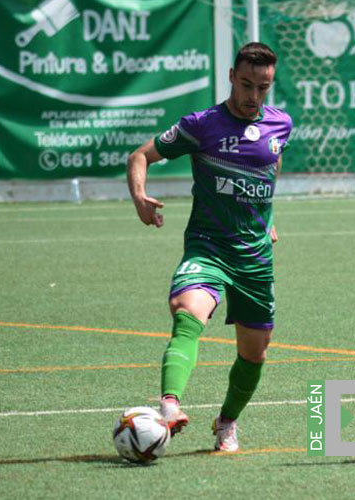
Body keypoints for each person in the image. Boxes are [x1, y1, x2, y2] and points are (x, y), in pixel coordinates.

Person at [126, 42, 292, 451]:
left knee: (255, 355)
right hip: (208, 247)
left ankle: (227, 423)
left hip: (254, 258)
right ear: (232, 76)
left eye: (263, 87)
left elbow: (271, 167)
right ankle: (168, 405)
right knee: (188, 314)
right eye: (247, 84)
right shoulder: (202, 125)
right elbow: (140, 156)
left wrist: (268, 219)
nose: (254, 96)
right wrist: (140, 198)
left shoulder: (280, 125)